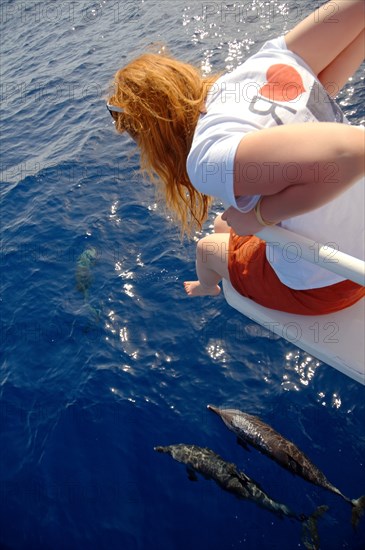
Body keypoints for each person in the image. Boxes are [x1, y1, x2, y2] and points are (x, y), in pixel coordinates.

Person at [107, 0, 365, 315]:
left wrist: (260, 216)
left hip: (334, 284)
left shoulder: (207, 159)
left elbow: (353, 154)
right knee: (223, 223)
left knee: (208, 248)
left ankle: (207, 286)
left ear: (152, 137)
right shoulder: (268, 62)